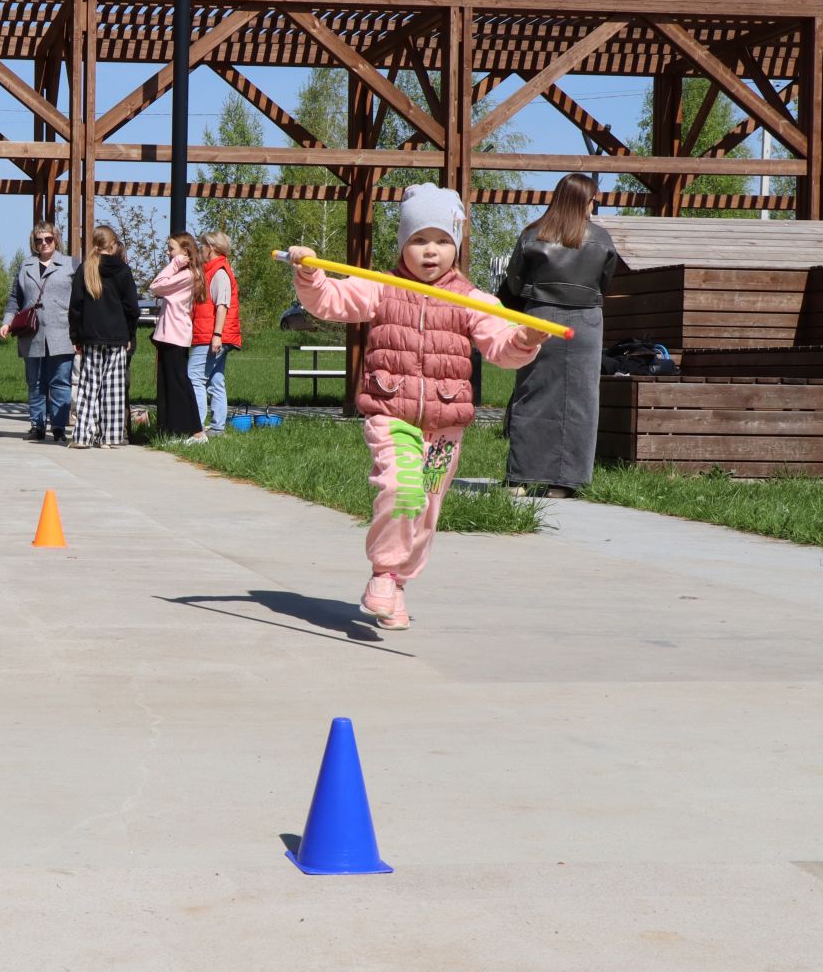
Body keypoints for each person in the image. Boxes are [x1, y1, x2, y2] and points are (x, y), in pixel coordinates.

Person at [288, 183, 548, 630]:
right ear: (402, 245)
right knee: (401, 488)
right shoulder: (380, 288)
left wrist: (524, 340)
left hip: (446, 427)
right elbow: (328, 302)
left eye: (444, 241)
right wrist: (310, 275)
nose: (432, 252)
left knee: (426, 509)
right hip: (392, 415)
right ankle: (384, 574)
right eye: (419, 240)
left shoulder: (472, 298)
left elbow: (502, 348)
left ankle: (399, 584)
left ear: (458, 246)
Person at [498, 172, 620, 497]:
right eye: (594, 200)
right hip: (585, 325)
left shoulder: (532, 234)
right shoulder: (602, 240)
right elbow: (605, 285)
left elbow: (513, 283)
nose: (595, 206)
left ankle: (520, 477)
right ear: (585, 201)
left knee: (532, 394)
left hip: (540, 318)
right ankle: (565, 483)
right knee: (580, 402)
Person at [0, 222, 76, 442]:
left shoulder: (71, 264)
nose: (43, 244)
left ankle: (59, 427)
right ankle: (37, 425)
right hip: (31, 332)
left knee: (60, 381)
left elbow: (81, 299)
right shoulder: (25, 266)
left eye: (48, 239)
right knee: (34, 382)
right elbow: (14, 299)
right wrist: (7, 322)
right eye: (38, 240)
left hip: (62, 331)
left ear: (56, 239)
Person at [66, 225, 137, 449]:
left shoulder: (86, 269)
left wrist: (76, 336)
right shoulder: (124, 271)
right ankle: (110, 437)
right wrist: (130, 334)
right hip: (117, 336)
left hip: (91, 337)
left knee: (89, 386)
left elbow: (75, 307)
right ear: (114, 244)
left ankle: (83, 436)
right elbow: (132, 308)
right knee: (113, 388)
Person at [147, 232, 206, 442]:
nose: (168, 252)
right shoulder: (185, 274)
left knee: (179, 383)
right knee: (169, 385)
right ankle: (173, 429)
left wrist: (175, 264)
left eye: (172, 249)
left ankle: (196, 431)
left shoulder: (187, 275)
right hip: (168, 334)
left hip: (175, 335)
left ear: (185, 252)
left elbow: (156, 286)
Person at [189, 229, 241, 437]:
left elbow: (222, 305)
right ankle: (218, 428)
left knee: (194, 376)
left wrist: (216, 335)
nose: (201, 250)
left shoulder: (219, 272)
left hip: (213, 335)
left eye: (203, 246)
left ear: (211, 248)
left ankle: (197, 428)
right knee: (216, 380)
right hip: (216, 334)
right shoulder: (213, 270)